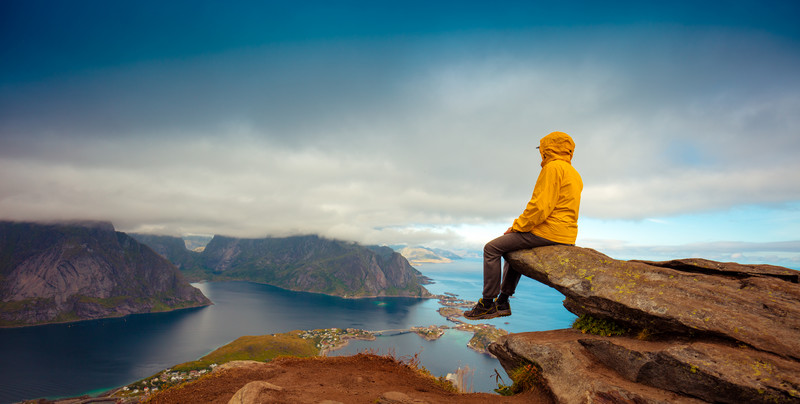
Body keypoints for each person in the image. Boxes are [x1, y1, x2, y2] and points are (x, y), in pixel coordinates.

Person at [464, 131, 583, 320]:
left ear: (547, 149)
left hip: (548, 231)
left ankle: (487, 303)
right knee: (514, 249)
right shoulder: (574, 173)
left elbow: (540, 207)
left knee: (492, 248)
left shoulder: (552, 168)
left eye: (541, 149)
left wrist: (517, 226)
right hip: (566, 235)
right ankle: (502, 302)